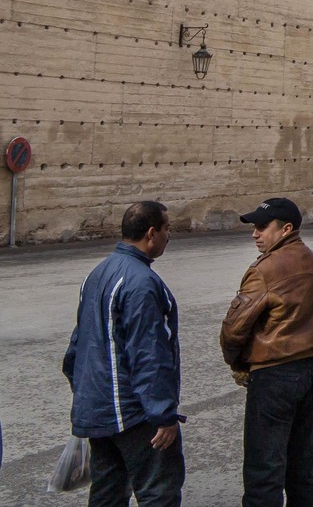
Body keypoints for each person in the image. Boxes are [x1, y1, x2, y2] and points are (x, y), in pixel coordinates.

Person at [63, 201, 184, 507]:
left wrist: (87, 395)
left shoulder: (97, 274)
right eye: (168, 229)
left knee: (107, 491)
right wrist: (162, 415)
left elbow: (77, 348)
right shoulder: (142, 283)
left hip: (97, 410)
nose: (170, 236)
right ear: (151, 233)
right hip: (132, 413)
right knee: (158, 491)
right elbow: (149, 354)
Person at [221, 197, 313, 507]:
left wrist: (238, 362)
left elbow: (235, 328)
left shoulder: (266, 269)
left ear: (285, 229)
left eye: (261, 227)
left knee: (263, 472)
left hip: (275, 374)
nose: (254, 234)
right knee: (302, 468)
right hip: (312, 369)